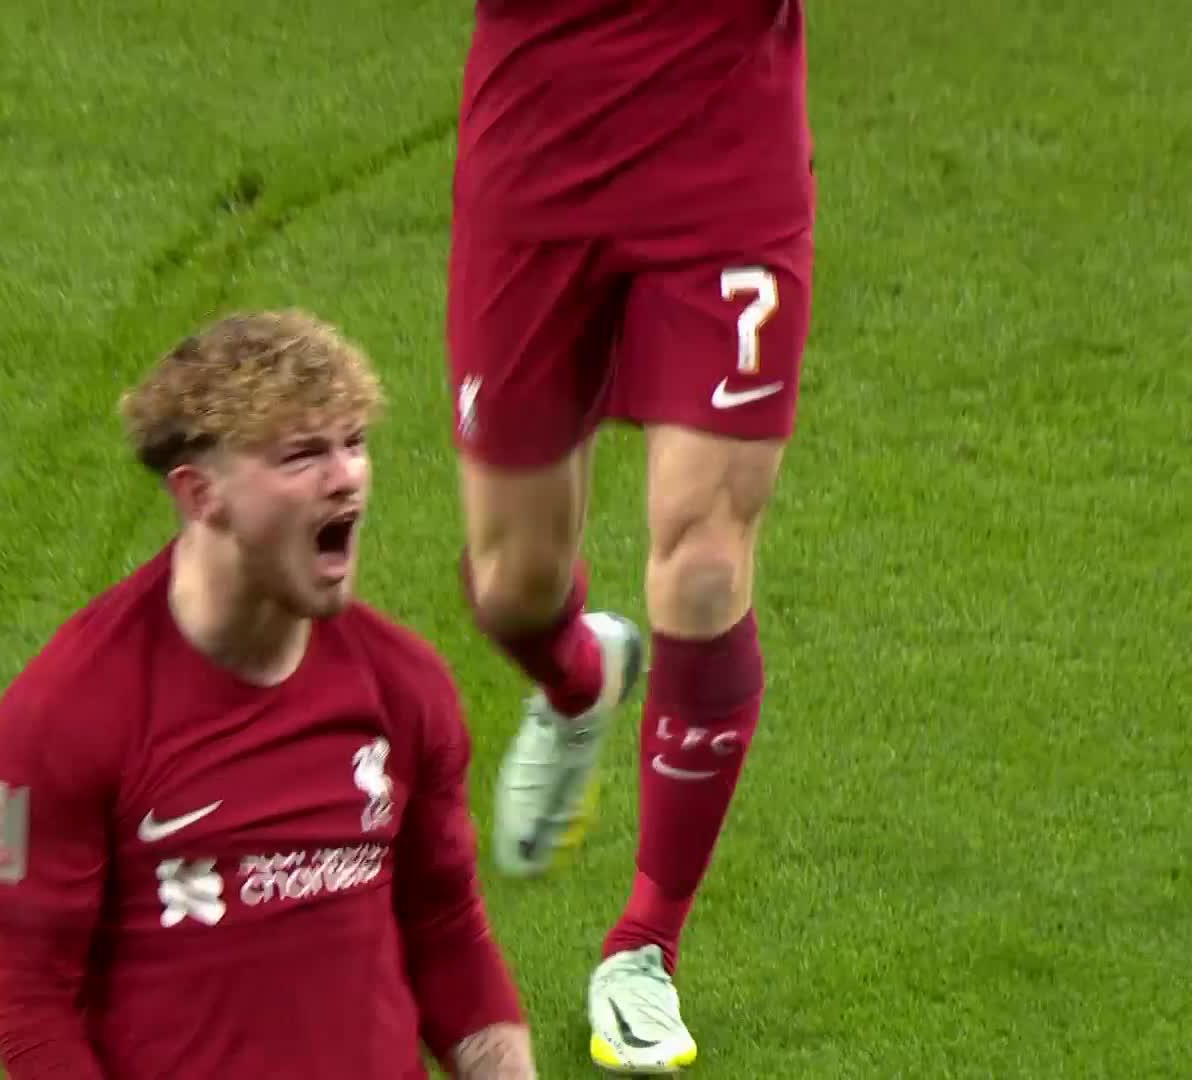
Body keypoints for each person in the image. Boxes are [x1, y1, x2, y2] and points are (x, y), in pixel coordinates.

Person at [0, 310, 537, 1079]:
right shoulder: (66, 712)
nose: (346, 477)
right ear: (200, 493)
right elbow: (30, 1006)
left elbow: (445, 932)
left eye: (355, 442)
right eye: (302, 454)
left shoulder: (403, 687)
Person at [445, 0, 816, 1073]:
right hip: (537, 158)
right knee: (515, 581)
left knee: (704, 558)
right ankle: (576, 678)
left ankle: (644, 946)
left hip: (726, 167)